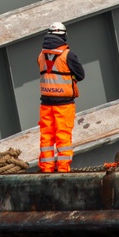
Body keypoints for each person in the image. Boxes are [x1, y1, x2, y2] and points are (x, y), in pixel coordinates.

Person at [38, 21, 85, 172]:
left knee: (46, 136)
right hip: (64, 104)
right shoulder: (68, 55)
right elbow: (81, 75)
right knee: (63, 136)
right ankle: (63, 169)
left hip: (45, 104)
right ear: (64, 36)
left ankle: (47, 167)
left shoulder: (41, 55)